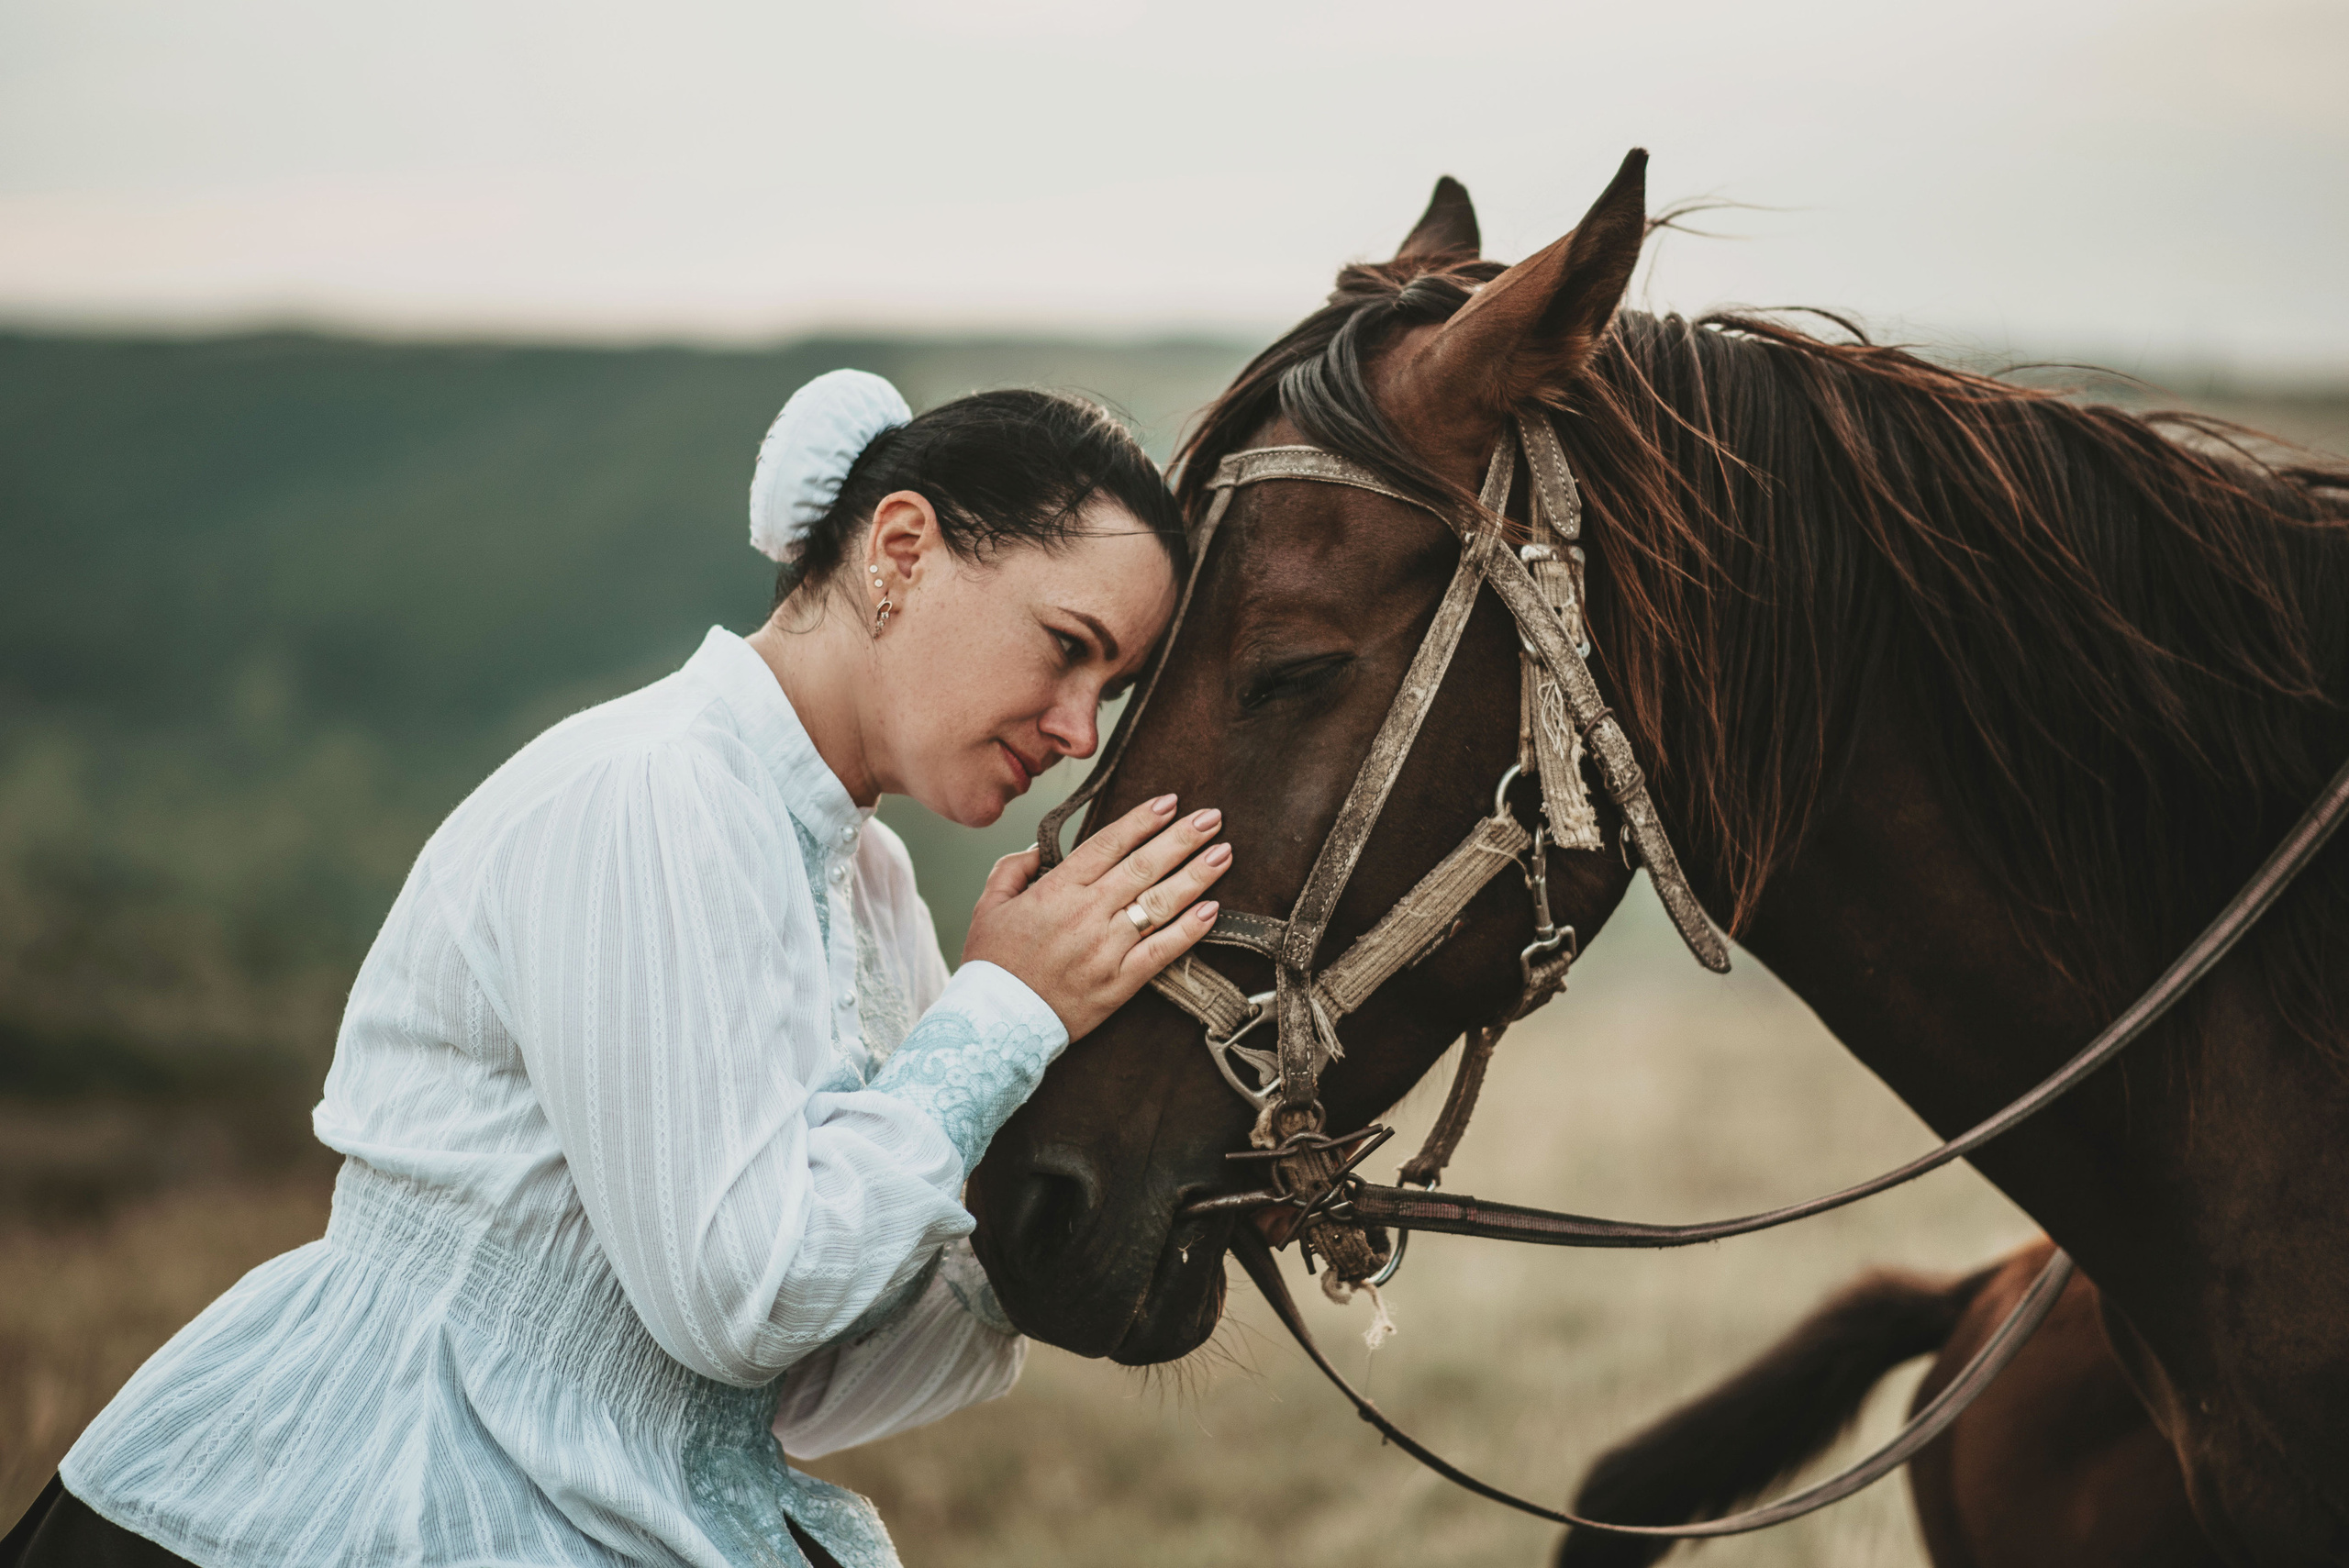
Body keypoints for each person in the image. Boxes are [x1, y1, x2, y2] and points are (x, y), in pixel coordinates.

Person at [3, 372, 1227, 1568]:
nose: (1077, 730)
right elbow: (739, 1298)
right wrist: (1001, 1014)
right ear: (900, 549)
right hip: (368, 1499)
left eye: (1107, 694)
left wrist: (1071, 1226)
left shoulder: (872, 882)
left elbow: (797, 1369)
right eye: (1069, 647)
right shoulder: (655, 791)